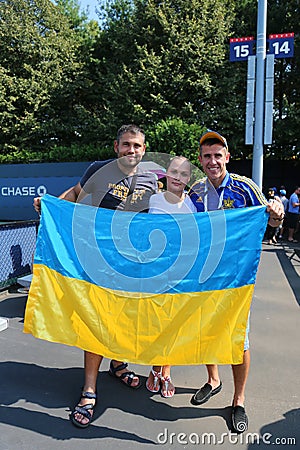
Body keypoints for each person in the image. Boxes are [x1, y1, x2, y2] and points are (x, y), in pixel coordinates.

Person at [34, 124, 158, 428]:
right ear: (116, 147)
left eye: (137, 146)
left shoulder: (153, 178)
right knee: (98, 321)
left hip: (134, 264)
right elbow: (76, 194)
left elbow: (169, 212)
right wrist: (51, 205)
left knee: (126, 318)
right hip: (99, 262)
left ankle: (117, 364)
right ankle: (89, 389)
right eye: (126, 144)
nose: (131, 150)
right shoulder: (98, 170)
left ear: (144, 149)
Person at [188, 130, 284, 434]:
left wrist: (277, 214)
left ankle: (238, 399)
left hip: (236, 279)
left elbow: (268, 220)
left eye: (218, 155)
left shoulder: (245, 187)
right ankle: (213, 380)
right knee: (206, 332)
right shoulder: (195, 191)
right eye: (207, 156)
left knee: (238, 339)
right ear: (200, 160)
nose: (213, 161)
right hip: (204, 277)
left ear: (227, 157)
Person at [146, 156, 197, 398]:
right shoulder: (152, 199)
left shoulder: (193, 206)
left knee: (174, 325)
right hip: (154, 273)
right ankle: (156, 366)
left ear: (189, 178)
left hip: (182, 274)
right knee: (157, 323)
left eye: (184, 173)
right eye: (174, 171)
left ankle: (165, 371)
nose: (178, 177)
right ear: (166, 173)